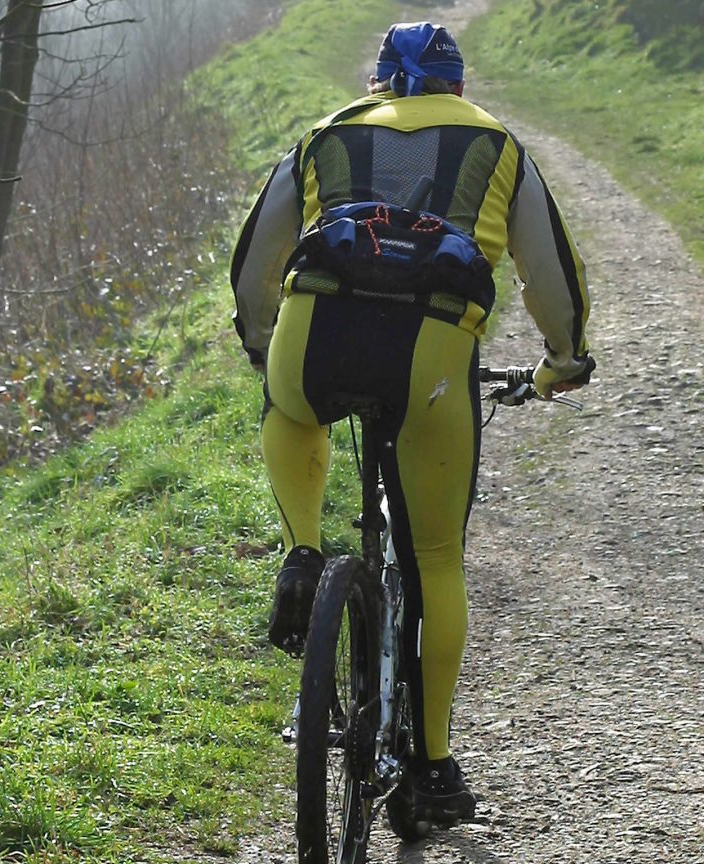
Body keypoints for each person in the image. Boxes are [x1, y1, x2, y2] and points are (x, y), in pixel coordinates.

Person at [230, 21, 592, 823]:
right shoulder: (497, 144)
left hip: (313, 330)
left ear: (380, 85)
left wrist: (265, 348)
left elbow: (256, 261)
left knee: (289, 408)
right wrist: (562, 360)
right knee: (434, 558)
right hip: (430, 355)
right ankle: (431, 770)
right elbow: (550, 277)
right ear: (457, 88)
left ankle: (300, 553)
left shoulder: (325, 133)